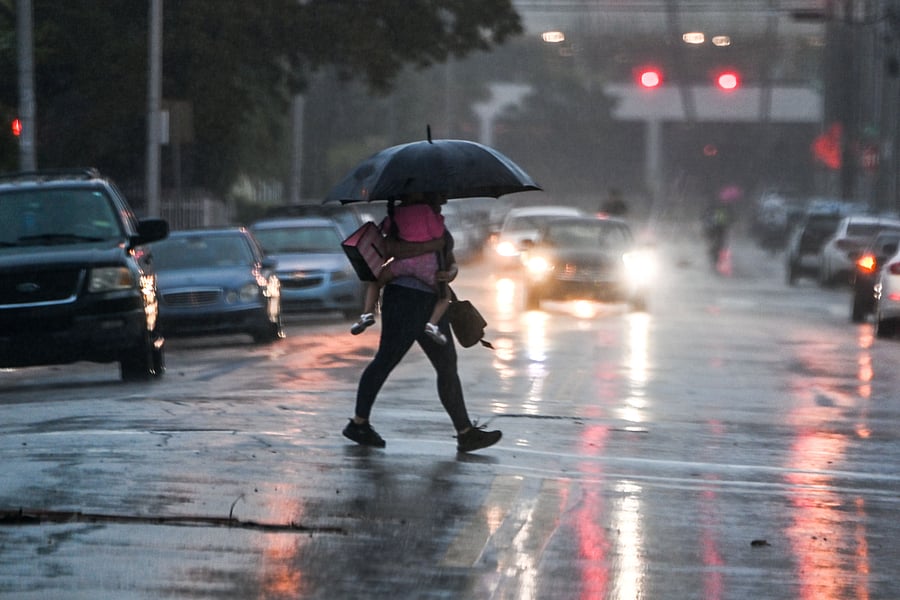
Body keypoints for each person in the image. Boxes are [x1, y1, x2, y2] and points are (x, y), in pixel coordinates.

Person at [343, 192, 502, 453]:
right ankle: (360, 423)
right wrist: (432, 247)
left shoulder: (427, 223)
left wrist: (447, 273)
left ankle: (465, 432)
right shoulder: (402, 223)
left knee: (443, 365)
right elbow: (390, 250)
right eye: (438, 196)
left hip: (420, 298)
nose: (443, 200)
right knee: (393, 360)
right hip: (408, 299)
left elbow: (451, 265)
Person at [350, 193, 450, 344]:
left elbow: (385, 230)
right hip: (427, 265)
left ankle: (367, 313)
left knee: (376, 282)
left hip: (403, 264)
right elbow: (437, 233)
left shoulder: (396, 212)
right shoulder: (426, 210)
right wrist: (439, 218)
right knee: (444, 296)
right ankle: (432, 324)